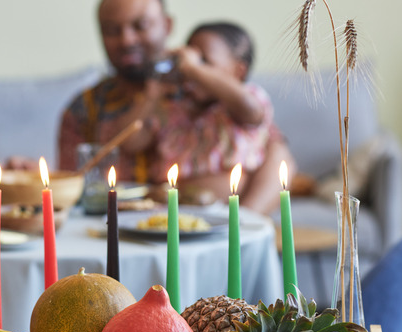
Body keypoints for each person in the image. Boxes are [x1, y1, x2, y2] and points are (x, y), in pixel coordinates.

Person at [58, 0, 295, 214]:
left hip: (221, 221)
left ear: (167, 25)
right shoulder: (85, 109)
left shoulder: (207, 96)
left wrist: (243, 224)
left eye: (140, 25)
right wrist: (152, 95)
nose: (126, 40)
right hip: (142, 222)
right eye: (111, 30)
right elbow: (70, 187)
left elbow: (275, 150)